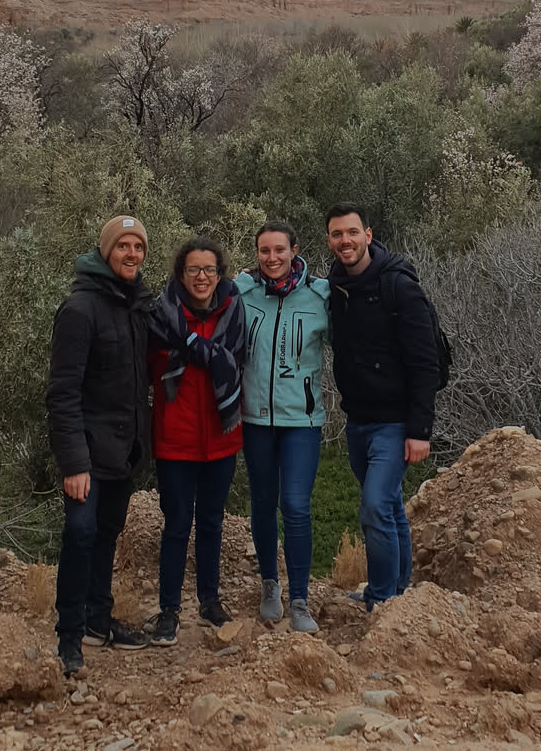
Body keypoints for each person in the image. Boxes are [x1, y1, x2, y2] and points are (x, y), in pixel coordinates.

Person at [44, 214, 154, 675]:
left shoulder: (137, 305)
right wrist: (73, 463)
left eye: (138, 247)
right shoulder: (79, 309)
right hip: (87, 453)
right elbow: (62, 392)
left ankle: (98, 619)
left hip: (123, 449)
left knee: (106, 534)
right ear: (106, 251)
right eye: (123, 245)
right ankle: (69, 637)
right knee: (81, 534)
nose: (132, 253)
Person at [325, 203, 441, 610]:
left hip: (395, 422)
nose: (345, 241)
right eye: (337, 234)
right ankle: (400, 595)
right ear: (329, 240)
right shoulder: (335, 287)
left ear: (368, 235)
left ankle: (381, 599)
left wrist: (420, 430)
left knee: (375, 506)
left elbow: (425, 363)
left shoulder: (399, 287)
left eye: (352, 232)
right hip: (357, 420)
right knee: (389, 505)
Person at [145, 237, 246, 643]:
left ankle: (209, 600)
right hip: (175, 439)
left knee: (211, 522)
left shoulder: (234, 312)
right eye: (193, 270)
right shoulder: (160, 318)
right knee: (175, 525)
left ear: (219, 274)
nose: (201, 277)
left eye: (209, 269)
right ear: (181, 274)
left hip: (221, 439)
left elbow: (241, 364)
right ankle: (168, 610)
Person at [235, 220, 330, 634]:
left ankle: (300, 599)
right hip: (255, 419)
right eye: (264, 251)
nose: (272, 258)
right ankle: (270, 584)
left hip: (301, 421)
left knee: (295, 505)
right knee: (262, 502)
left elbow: (357, 338)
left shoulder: (320, 296)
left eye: (279, 250)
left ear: (294, 250)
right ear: (256, 253)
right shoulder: (243, 294)